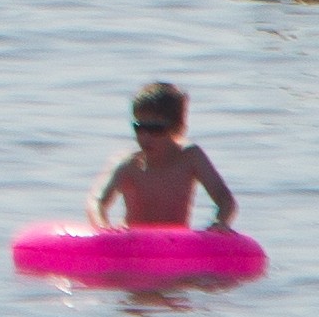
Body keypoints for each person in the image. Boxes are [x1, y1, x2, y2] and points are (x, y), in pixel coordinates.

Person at [93, 79, 241, 228]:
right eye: (139, 127)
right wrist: (103, 226)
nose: (146, 137)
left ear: (177, 128)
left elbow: (226, 201)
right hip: (134, 242)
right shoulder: (129, 163)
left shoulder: (190, 158)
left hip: (173, 243)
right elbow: (98, 202)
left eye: (156, 129)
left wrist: (219, 223)